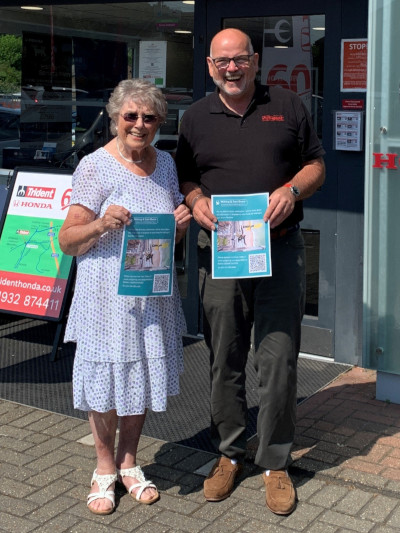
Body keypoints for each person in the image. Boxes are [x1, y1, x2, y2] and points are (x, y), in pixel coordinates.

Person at [175, 28, 325, 515]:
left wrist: (292, 192)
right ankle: (229, 454)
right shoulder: (195, 117)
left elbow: (316, 164)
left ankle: (275, 462)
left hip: (278, 251)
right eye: (223, 62)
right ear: (210, 66)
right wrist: (196, 201)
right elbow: (185, 176)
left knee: (278, 359)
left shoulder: (288, 105)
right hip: (221, 253)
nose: (231, 68)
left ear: (255, 61)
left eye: (240, 59)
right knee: (224, 357)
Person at [59, 78, 191, 516]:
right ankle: (103, 467)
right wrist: (100, 224)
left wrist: (181, 222)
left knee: (139, 378)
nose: (139, 124)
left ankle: (130, 463)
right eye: (130, 115)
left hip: (150, 294)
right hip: (104, 300)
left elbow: (167, 226)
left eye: (149, 117)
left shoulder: (167, 164)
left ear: (159, 123)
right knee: (105, 385)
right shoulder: (95, 166)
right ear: (115, 118)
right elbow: (68, 241)